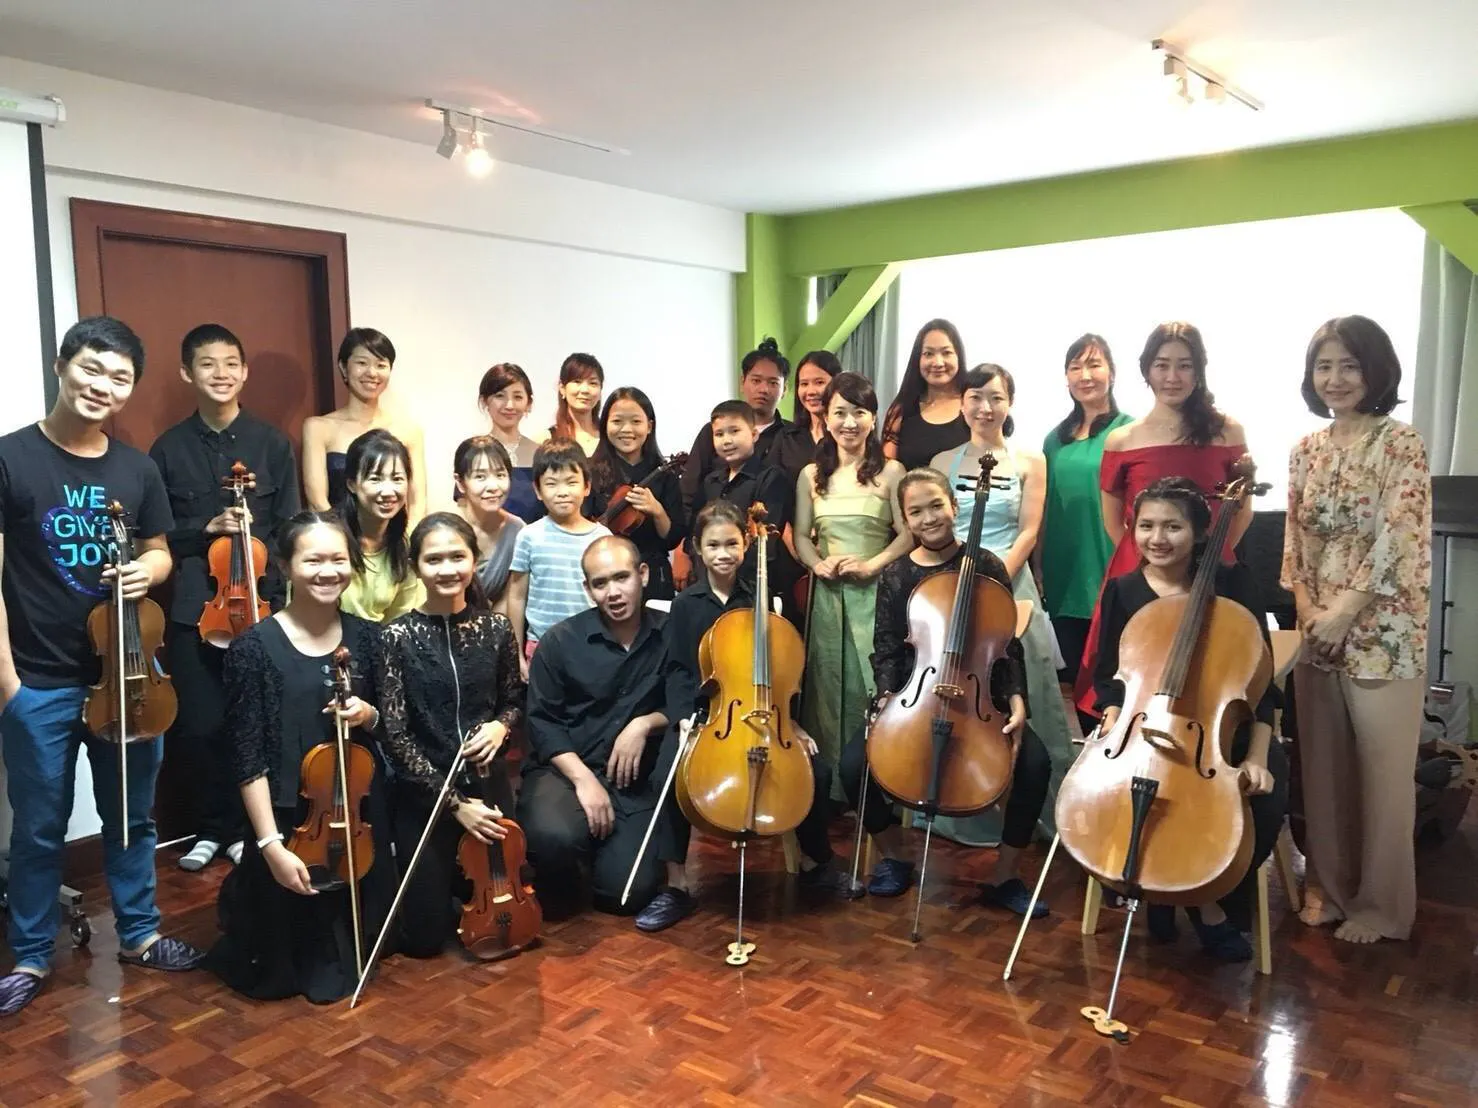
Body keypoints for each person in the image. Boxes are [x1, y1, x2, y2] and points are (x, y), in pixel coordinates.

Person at [0, 317, 204, 1018]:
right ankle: (31, 955)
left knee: (132, 816)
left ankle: (141, 935)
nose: (103, 386)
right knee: (38, 828)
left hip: (128, 675)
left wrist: (148, 571)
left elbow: (160, 550)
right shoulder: (11, 458)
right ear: (63, 366)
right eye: (92, 369)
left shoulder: (136, 469)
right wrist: (8, 683)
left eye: (119, 378)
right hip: (41, 680)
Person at [1281, 316, 1431, 944]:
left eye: (1349, 365)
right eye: (1324, 366)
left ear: (1375, 371)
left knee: (1382, 779)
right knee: (1324, 772)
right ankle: (1332, 889)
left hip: (1384, 633)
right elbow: (1295, 540)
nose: (1335, 379)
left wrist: (1345, 611)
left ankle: (1381, 908)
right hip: (1316, 631)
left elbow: (1400, 536)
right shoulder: (1305, 451)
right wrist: (1310, 609)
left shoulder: (1401, 444)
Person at [637, 501, 855, 931]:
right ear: (697, 548)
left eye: (731, 544)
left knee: (815, 770)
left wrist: (790, 722)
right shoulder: (687, 605)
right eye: (713, 545)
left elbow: (781, 670)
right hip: (705, 716)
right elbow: (677, 671)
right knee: (668, 776)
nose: (723, 554)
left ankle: (815, 861)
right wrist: (683, 718)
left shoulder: (763, 599)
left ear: (746, 544)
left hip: (762, 714)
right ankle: (676, 885)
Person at [1093, 478, 1287, 960]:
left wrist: (1258, 756)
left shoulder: (1233, 584)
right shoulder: (1123, 589)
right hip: (1144, 728)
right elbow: (1110, 678)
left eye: (1173, 527)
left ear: (1200, 532)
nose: (1157, 538)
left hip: (1225, 731)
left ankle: (1202, 896)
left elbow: (1260, 683)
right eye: (1146, 526)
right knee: (1120, 795)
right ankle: (1175, 897)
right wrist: (1113, 719)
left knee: (1262, 802)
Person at [837, 468, 1046, 914]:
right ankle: (895, 857)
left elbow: (1006, 644)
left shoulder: (987, 565)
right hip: (914, 694)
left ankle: (1006, 875)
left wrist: (1017, 701)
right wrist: (886, 696)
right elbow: (887, 647)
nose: (929, 518)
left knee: (1035, 764)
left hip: (979, 698)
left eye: (936, 505)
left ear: (954, 505)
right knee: (854, 765)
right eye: (916, 511)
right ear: (905, 519)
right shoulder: (897, 574)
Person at [209, 511, 394, 1002]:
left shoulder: (368, 638)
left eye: (339, 559)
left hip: (354, 816)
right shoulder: (253, 649)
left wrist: (368, 714)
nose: (328, 571)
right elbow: (246, 754)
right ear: (286, 566)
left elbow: (391, 728)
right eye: (313, 560)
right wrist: (270, 844)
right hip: (287, 820)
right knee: (278, 973)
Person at [149, 323, 301, 873]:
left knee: (255, 721)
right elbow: (157, 536)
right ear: (187, 372)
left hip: (260, 606)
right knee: (199, 724)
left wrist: (277, 600)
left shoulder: (271, 444)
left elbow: (288, 529)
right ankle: (211, 828)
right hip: (196, 608)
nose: (221, 373)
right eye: (208, 364)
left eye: (231, 363)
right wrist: (205, 529)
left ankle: (247, 831)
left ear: (245, 372)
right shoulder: (168, 449)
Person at [1074, 322, 1250, 717]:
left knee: (1209, 675)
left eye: (1184, 365)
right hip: (1140, 568)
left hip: (1209, 569)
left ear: (1199, 370)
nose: (1173, 376)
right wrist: (1151, 564)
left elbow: (1242, 512)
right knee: (1128, 676)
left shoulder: (1228, 431)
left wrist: (1206, 559)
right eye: (1162, 365)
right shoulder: (1122, 439)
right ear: (1146, 370)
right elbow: (1114, 522)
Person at [931, 365, 1075, 842]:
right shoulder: (943, 459)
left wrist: (994, 577)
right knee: (963, 692)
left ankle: (1049, 813)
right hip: (956, 583)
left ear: (1009, 403)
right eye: (975, 397)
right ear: (962, 403)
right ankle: (963, 805)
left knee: (1031, 690)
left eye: (995, 397)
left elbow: (1029, 530)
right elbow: (938, 528)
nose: (985, 407)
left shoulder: (1031, 459)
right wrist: (962, 578)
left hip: (1013, 583)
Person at [377, 513, 526, 957]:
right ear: (415, 566)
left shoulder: (497, 629)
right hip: (426, 795)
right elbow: (395, 735)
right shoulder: (396, 637)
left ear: (474, 561)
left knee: (499, 900)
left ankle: (466, 891)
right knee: (425, 940)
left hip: (488, 784)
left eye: (457, 557)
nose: (447, 569)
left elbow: (514, 701)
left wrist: (501, 726)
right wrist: (455, 805)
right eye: (434, 559)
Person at [516, 537, 670, 916]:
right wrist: (584, 780)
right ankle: (572, 854)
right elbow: (543, 722)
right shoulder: (559, 642)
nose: (613, 592)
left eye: (622, 578)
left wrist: (644, 724)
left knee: (627, 896)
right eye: (600, 583)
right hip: (565, 768)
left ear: (643, 575)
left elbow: (691, 703)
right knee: (554, 839)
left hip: (632, 780)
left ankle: (601, 850)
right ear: (588, 589)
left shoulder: (671, 634)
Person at [793, 373, 911, 790]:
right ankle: (832, 788)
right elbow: (801, 535)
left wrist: (873, 565)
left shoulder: (892, 471)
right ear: (825, 418)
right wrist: (817, 565)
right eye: (839, 412)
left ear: (873, 418)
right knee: (827, 685)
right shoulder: (810, 475)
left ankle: (880, 782)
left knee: (873, 684)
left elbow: (907, 534)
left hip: (876, 594)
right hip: (827, 596)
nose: (849, 422)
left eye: (858, 412)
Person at [1039, 334, 1131, 700]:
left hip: (1113, 567)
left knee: (1116, 679)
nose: (1085, 375)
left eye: (1094, 364)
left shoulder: (1130, 431)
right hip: (1064, 573)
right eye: (1075, 367)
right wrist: (1039, 567)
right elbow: (1046, 508)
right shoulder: (1054, 440)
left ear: (1112, 372)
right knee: (1078, 681)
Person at [687, 400, 804, 620]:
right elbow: (698, 532)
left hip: (749, 590)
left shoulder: (771, 478)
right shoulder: (711, 481)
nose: (727, 440)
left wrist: (727, 574)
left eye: (734, 431)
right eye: (719, 434)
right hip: (708, 587)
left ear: (754, 434)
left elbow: (765, 545)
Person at [301, 328, 426, 519]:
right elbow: (317, 502)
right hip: (336, 534)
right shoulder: (318, 428)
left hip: (395, 535)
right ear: (344, 367)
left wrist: (408, 537)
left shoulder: (408, 431)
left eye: (381, 365)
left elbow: (418, 503)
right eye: (362, 363)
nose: (372, 373)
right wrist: (342, 537)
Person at [679, 338, 812, 517]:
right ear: (743, 382)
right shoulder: (712, 432)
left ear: (785, 389)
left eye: (773, 383)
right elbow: (689, 492)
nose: (763, 389)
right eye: (756, 380)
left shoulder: (795, 436)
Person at [506, 439, 612, 661]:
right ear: (538, 490)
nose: (562, 492)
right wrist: (516, 653)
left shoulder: (603, 538)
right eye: (551, 483)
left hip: (592, 644)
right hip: (541, 646)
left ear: (587, 486)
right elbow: (516, 596)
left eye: (571, 482)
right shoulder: (528, 536)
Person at [586, 387, 683, 602]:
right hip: (604, 575)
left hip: (653, 576)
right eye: (617, 421)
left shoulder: (664, 474)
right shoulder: (590, 471)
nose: (626, 429)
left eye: (636, 421)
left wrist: (657, 511)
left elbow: (672, 538)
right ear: (605, 425)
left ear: (649, 426)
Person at [337, 429, 425, 623]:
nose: (388, 491)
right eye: (375, 479)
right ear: (352, 484)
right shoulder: (326, 539)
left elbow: (401, 619)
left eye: (397, 479)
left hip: (380, 640)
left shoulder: (404, 546)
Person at [881, 319, 970, 471]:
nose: (938, 362)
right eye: (928, 354)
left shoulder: (973, 406)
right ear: (918, 359)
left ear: (958, 356)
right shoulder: (901, 410)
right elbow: (887, 470)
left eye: (946, 353)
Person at [453, 436, 525, 611]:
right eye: (480, 476)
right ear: (460, 483)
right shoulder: (445, 529)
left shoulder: (517, 530)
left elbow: (509, 598)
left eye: (500, 475)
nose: (493, 486)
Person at [477, 362, 544, 522]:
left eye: (518, 397)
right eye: (500, 396)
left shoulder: (541, 454)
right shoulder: (474, 453)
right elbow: (466, 512)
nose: (509, 405)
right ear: (484, 401)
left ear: (529, 403)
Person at [785, 349, 842, 452]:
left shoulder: (848, 435)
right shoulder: (787, 438)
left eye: (819, 382)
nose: (811, 391)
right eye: (804, 384)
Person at [548, 353, 604, 456]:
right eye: (577, 381)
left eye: (593, 383)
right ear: (562, 388)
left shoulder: (611, 438)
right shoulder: (546, 440)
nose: (585, 390)